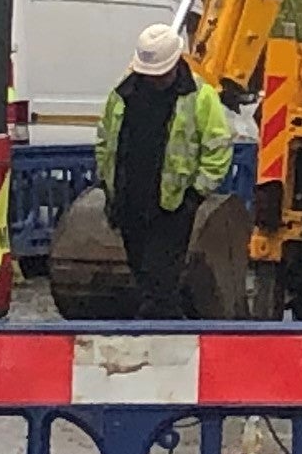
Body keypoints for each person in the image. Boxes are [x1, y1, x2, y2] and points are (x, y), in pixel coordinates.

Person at [96, 21, 233, 318]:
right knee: (145, 278)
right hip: (131, 200)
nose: (155, 80)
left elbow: (218, 147)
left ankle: (153, 335)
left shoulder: (199, 96)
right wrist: (109, 187)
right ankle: (168, 333)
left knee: (160, 282)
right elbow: (106, 140)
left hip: (172, 206)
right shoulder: (123, 93)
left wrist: (196, 194)